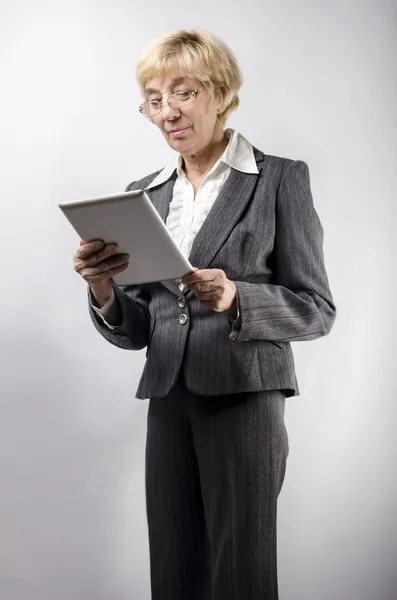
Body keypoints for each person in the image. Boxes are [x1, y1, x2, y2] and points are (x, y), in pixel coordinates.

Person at [73, 29, 336, 600]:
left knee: (240, 572)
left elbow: (317, 310)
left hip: (244, 399)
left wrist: (238, 297)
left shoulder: (279, 180)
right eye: (153, 98)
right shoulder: (142, 194)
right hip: (168, 399)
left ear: (220, 92)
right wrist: (103, 287)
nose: (166, 111)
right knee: (174, 570)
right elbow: (140, 326)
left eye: (182, 92)